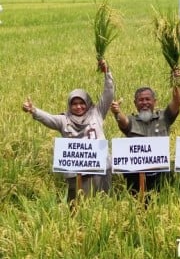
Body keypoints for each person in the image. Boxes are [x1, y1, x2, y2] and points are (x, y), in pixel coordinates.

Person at [21, 59, 114, 203]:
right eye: (74, 104)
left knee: (103, 202)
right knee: (79, 204)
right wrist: (33, 110)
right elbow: (48, 118)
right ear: (69, 105)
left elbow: (108, 94)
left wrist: (107, 72)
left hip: (100, 168)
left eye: (81, 103)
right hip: (76, 171)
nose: (78, 107)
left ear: (88, 103)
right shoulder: (64, 120)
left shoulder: (97, 113)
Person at [110, 69, 180, 197]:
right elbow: (122, 121)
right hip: (135, 177)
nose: (144, 103)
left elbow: (177, 102)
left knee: (160, 207)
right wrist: (116, 111)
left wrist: (176, 81)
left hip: (160, 175)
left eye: (148, 99)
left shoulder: (164, 118)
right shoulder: (131, 121)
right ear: (135, 103)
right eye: (141, 100)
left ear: (155, 101)